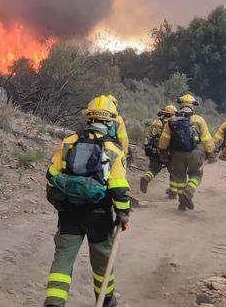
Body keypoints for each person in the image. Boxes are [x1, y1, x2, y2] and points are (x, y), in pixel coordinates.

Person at [44, 95, 130, 307]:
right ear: (110, 121)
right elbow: (119, 188)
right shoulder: (114, 150)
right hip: (98, 216)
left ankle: (54, 302)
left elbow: (51, 174)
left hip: (69, 212)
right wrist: (124, 214)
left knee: (63, 260)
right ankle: (106, 300)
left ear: (88, 117)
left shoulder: (69, 142)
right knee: (102, 263)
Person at [158, 93, 213, 211]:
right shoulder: (199, 120)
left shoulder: (172, 120)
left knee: (179, 177)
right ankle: (188, 192)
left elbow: (164, 139)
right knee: (197, 174)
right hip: (194, 152)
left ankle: (182, 203)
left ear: (181, 105)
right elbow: (206, 139)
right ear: (193, 106)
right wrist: (209, 152)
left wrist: (163, 152)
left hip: (176, 154)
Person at [140, 104, 177, 196]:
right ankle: (173, 192)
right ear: (171, 114)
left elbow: (149, 136)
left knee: (153, 169)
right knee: (173, 172)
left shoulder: (156, 122)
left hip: (154, 150)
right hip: (166, 151)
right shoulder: (171, 124)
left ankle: (146, 178)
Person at [107, 94, 132, 161]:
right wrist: (124, 155)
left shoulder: (93, 116)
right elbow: (123, 139)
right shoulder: (118, 120)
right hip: (111, 150)